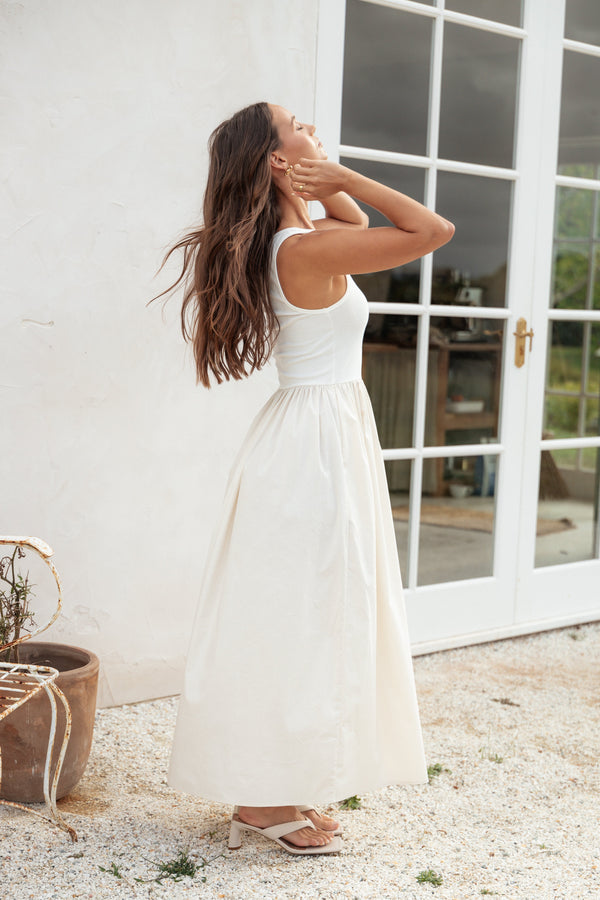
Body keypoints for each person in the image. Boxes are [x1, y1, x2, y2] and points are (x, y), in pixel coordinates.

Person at [155, 101, 454, 856]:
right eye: (297, 123)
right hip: (313, 445)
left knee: (305, 611)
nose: (312, 125)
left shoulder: (304, 238)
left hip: (316, 434)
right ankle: (262, 803)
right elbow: (432, 231)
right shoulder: (301, 250)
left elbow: (354, 223)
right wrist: (341, 174)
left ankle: (272, 789)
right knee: (296, 614)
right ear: (275, 158)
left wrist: (317, 181)